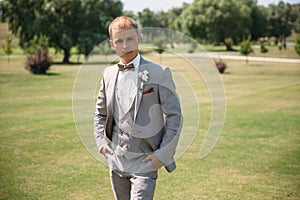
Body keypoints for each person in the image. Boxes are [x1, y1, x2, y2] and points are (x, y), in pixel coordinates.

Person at [94, 16, 183, 200]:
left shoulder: (159, 72)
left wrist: (162, 155)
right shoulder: (108, 74)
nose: (125, 45)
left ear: (139, 39)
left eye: (130, 39)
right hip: (117, 161)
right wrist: (102, 145)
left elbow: (175, 116)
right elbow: (100, 114)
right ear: (112, 43)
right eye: (119, 41)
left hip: (145, 162)